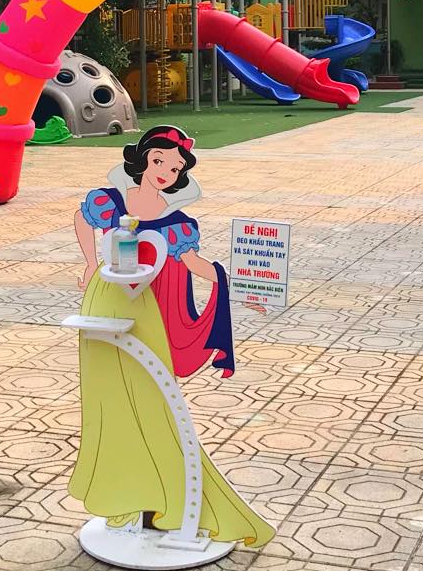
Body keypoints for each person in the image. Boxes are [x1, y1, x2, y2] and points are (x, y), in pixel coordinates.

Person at [68, 125, 273, 546]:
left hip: (146, 314)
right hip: (104, 300)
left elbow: (193, 263)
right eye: (159, 160)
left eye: (175, 168)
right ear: (143, 158)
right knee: (108, 401)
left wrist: (240, 284)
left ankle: (167, 498)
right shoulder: (110, 201)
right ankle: (125, 498)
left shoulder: (177, 223)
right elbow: (81, 219)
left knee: (156, 403)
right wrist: (90, 263)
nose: (164, 171)